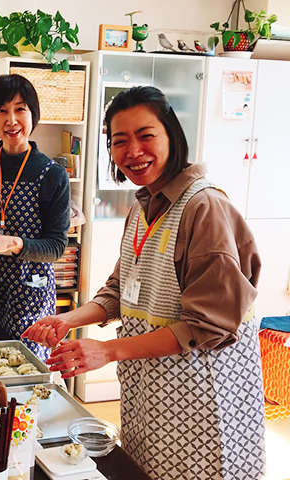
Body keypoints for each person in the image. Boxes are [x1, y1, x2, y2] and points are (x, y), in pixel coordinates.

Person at [23, 86, 266, 480]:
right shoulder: (143, 208)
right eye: (120, 141)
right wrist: (69, 320)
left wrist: (109, 350)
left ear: (172, 135)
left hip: (204, 406)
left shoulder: (204, 208)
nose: (133, 151)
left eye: (146, 135)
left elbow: (209, 325)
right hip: (152, 401)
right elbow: (120, 291)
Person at [0, 74, 70, 360]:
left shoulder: (52, 175)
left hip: (28, 292)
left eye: (20, 109)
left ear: (33, 114)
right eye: (1, 111)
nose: (11, 120)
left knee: (22, 373)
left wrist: (11, 243)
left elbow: (56, 246)